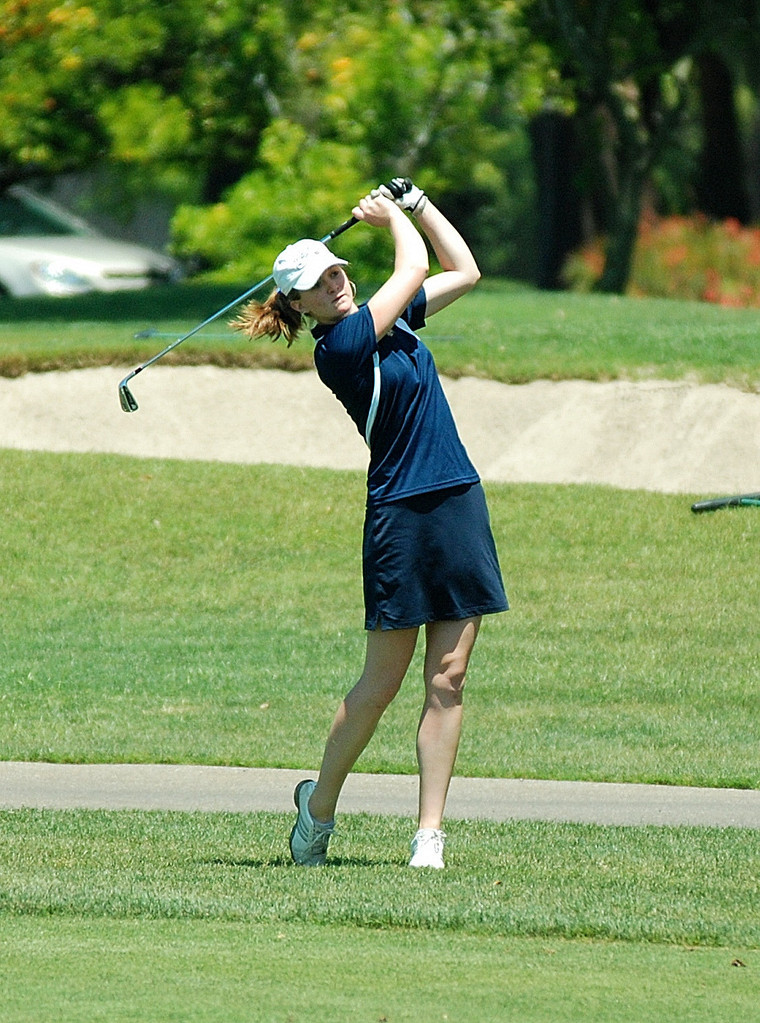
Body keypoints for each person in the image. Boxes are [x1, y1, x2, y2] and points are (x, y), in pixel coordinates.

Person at [231, 179, 508, 869]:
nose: (334, 286)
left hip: (457, 501)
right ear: (297, 305)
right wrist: (391, 219)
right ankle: (317, 806)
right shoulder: (342, 347)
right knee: (380, 685)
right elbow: (411, 266)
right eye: (317, 285)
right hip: (399, 516)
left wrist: (417, 203)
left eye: (335, 273)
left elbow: (463, 270)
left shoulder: (393, 318)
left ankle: (429, 834)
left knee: (449, 676)